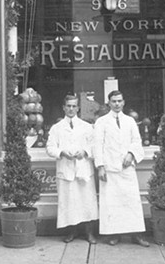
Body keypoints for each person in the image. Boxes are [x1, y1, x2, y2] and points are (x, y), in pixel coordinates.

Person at [93, 90, 149, 247]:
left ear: (123, 102)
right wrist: (100, 167)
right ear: (109, 103)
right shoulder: (101, 122)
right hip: (109, 168)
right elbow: (97, 145)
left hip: (126, 168)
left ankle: (136, 234)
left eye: (119, 101)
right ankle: (114, 234)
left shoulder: (130, 121)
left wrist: (131, 154)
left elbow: (136, 141)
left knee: (131, 202)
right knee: (112, 203)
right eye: (113, 101)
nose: (117, 104)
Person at [46, 94, 98, 244]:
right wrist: (61, 152)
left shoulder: (87, 127)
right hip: (66, 170)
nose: (71, 109)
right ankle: (71, 232)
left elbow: (95, 146)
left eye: (74, 106)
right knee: (69, 202)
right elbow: (50, 147)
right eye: (68, 106)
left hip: (83, 170)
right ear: (64, 107)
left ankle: (89, 233)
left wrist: (85, 152)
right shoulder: (56, 128)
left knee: (87, 201)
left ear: (78, 108)